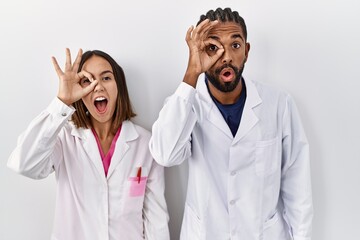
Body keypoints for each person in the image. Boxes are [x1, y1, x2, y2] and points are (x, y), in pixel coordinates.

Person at [149, 7, 313, 240]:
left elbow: (298, 186)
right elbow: (165, 155)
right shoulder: (186, 103)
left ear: (246, 51)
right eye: (212, 47)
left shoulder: (278, 104)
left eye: (235, 45)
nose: (225, 56)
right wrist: (191, 73)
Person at [8, 49, 170, 240]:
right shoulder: (64, 138)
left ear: (119, 85)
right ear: (80, 92)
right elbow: (23, 164)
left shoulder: (144, 144)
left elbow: (156, 221)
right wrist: (62, 101)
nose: (98, 87)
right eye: (87, 80)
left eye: (106, 78)